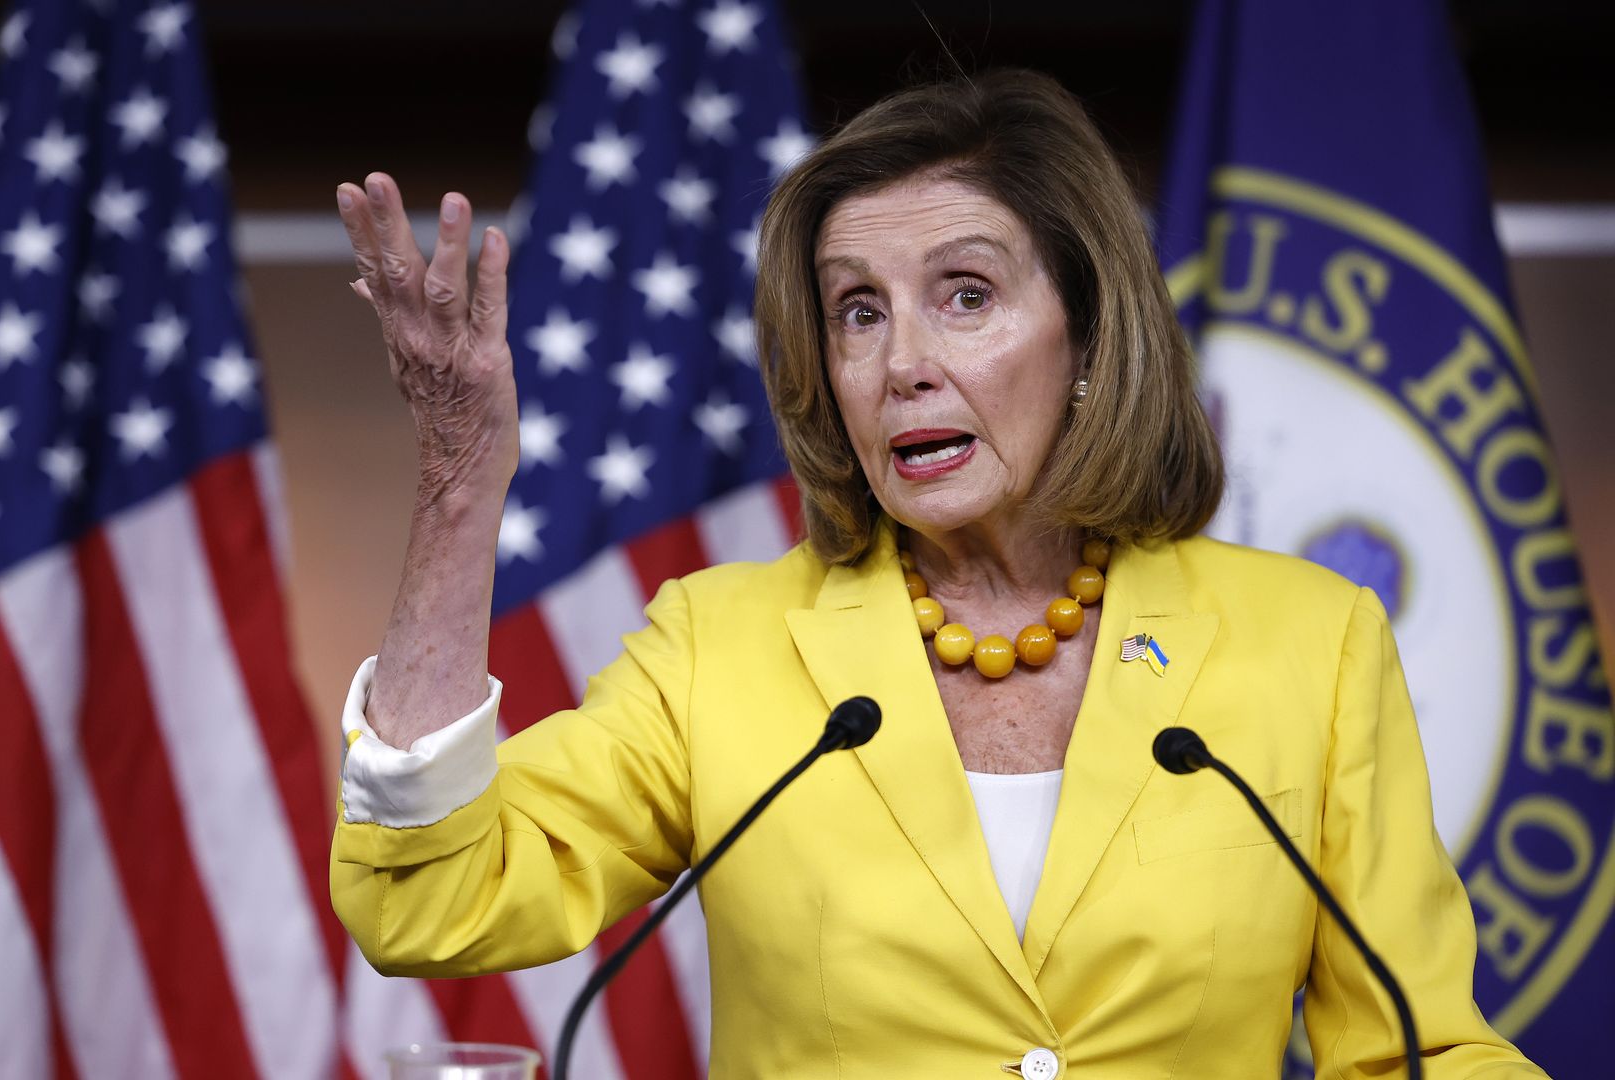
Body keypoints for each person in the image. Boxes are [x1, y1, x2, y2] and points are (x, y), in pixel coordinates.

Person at [328, 71, 1544, 1078]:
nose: (901, 360)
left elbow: (1424, 1048)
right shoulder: (721, 647)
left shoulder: (1307, 643)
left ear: (1087, 333)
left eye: (965, 296)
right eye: (857, 311)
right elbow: (433, 902)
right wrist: (459, 480)